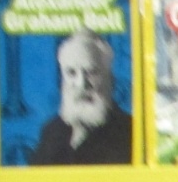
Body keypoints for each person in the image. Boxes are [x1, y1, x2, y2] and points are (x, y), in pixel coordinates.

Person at [29, 31, 133, 165]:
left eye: (91, 72)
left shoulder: (129, 131)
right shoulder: (51, 131)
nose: (81, 84)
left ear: (109, 79)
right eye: (71, 73)